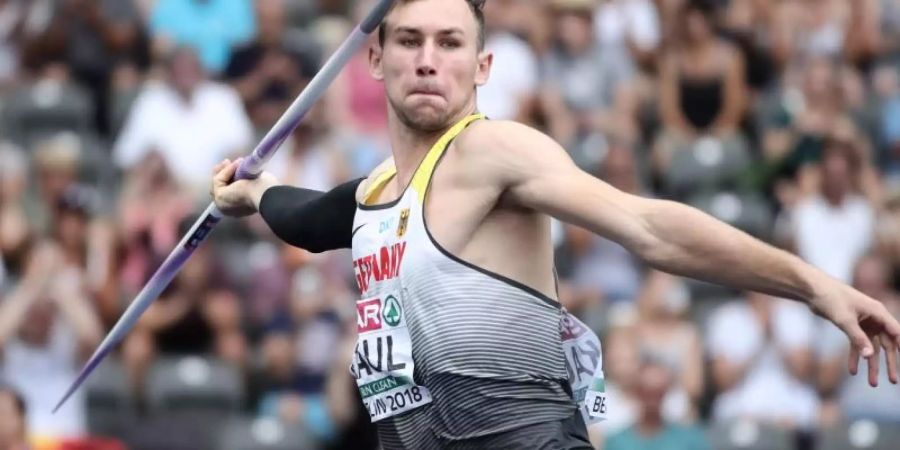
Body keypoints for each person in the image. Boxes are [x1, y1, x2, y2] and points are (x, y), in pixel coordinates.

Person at [210, 0, 900, 448]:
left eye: (450, 43)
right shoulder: (376, 193)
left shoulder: (494, 151)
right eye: (411, 41)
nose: (427, 59)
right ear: (374, 59)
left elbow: (648, 228)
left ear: (482, 66)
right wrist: (253, 192)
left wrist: (813, 286)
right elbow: (309, 218)